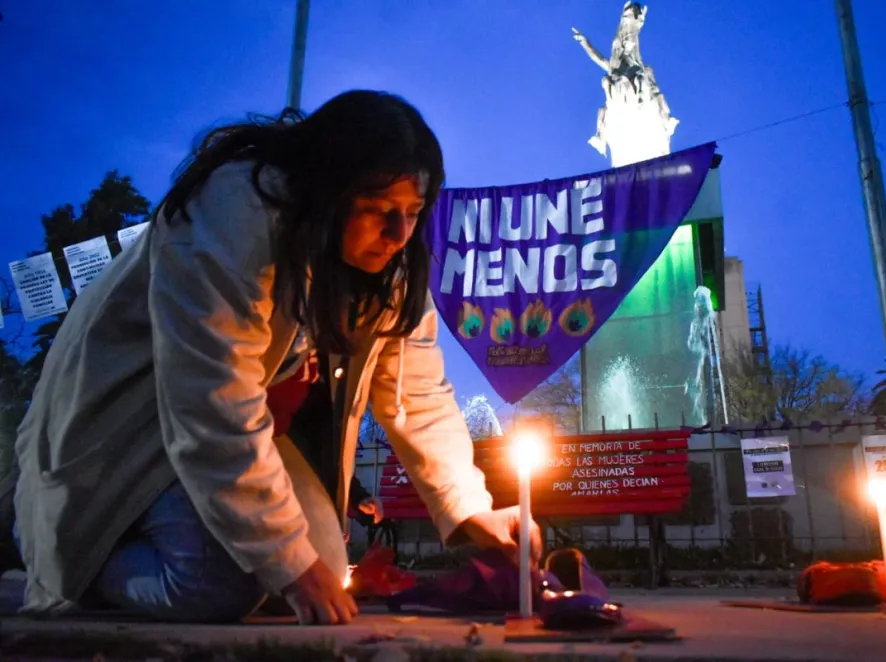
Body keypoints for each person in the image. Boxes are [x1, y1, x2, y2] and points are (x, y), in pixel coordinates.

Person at [0, 90, 542, 625]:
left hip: (219, 428)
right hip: (126, 427)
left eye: (412, 212)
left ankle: (171, 535)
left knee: (321, 567)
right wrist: (283, 560)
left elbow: (417, 395)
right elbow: (212, 399)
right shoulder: (231, 217)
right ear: (330, 194)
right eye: (378, 210)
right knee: (221, 586)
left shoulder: (390, 268)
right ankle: (82, 562)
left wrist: (474, 508)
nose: (399, 235)